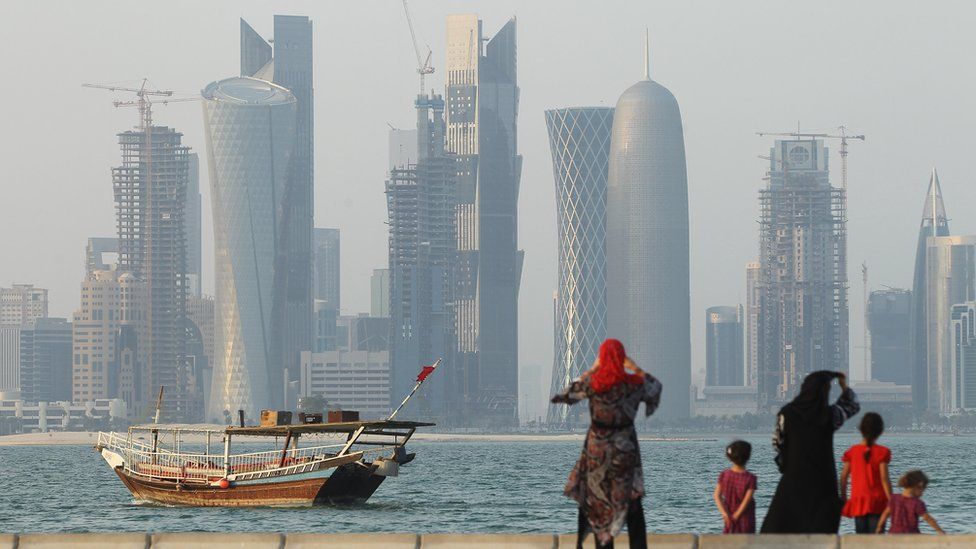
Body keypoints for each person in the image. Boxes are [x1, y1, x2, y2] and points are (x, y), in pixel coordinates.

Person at [551, 338, 662, 549]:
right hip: (625, 449)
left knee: (598, 501)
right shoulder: (633, 385)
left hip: (598, 451)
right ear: (622, 358)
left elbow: (564, 395)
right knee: (631, 499)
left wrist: (592, 370)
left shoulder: (595, 383)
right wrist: (635, 368)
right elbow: (655, 387)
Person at [760, 370, 860, 533]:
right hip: (824, 483)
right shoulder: (828, 415)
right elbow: (852, 405)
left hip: (794, 480)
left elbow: (777, 443)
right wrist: (844, 387)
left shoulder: (787, 413)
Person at [840, 412, 891, 533]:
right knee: (876, 540)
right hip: (878, 501)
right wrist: (892, 500)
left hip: (858, 501)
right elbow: (884, 479)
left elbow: (843, 477)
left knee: (861, 539)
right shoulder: (882, 452)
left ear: (861, 429)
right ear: (880, 431)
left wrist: (844, 498)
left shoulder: (853, 452)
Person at [877, 470, 945, 534]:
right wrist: (939, 530)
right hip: (910, 534)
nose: (922, 493)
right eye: (923, 489)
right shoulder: (917, 503)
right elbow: (927, 518)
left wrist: (879, 527)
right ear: (920, 485)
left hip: (894, 534)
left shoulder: (894, 499)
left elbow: (885, 514)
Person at [713, 440, 757, 533]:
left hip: (728, 516)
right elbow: (746, 501)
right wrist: (736, 516)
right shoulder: (751, 478)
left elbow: (717, 496)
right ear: (748, 457)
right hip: (746, 518)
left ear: (730, 457)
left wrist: (725, 514)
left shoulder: (724, 475)